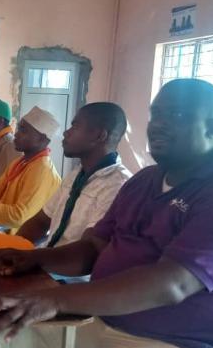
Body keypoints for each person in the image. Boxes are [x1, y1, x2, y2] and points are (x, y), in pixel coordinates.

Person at [0, 79, 213, 348]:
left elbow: (172, 285)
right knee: (11, 338)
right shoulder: (144, 181)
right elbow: (93, 248)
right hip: (110, 321)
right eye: (156, 114)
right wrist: (32, 258)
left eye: (176, 115)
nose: (159, 124)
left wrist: (55, 299)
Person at [17, 102, 131, 248]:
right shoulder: (77, 174)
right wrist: (10, 247)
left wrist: (30, 257)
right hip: (48, 255)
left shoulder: (117, 186)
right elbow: (41, 221)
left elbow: (87, 250)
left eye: (75, 126)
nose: (66, 133)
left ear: (99, 136)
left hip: (66, 262)